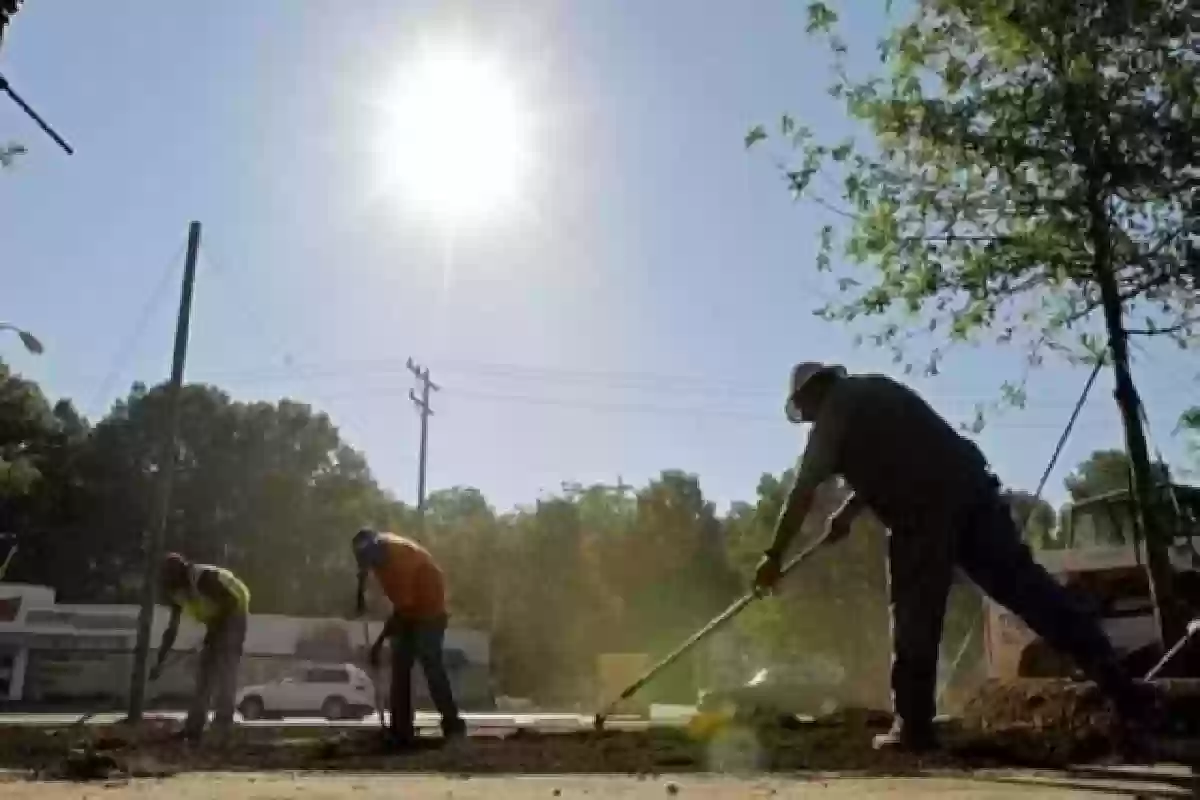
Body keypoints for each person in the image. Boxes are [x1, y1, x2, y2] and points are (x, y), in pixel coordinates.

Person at [753, 362, 1153, 752]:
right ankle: (1117, 681)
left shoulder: (834, 410)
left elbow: (802, 490)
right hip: (971, 490)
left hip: (922, 511)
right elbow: (906, 454)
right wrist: (850, 512)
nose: (807, 423)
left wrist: (773, 556)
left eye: (804, 414)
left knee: (914, 613)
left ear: (811, 395)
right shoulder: (876, 388)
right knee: (1026, 588)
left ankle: (913, 726)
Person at [353, 528, 465, 748]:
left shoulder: (400, 561)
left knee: (430, 662)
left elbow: (402, 613)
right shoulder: (373, 555)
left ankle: (453, 726)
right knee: (400, 667)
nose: (370, 565)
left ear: (379, 550)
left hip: (429, 610)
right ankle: (401, 729)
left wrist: (378, 644)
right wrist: (359, 593)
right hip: (409, 610)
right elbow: (365, 573)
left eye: (371, 560)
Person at [151, 552, 250, 744]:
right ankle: (193, 728)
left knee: (225, 667)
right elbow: (171, 629)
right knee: (205, 673)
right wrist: (159, 662)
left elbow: (231, 602)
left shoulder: (203, 577)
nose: (174, 589)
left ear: (181, 573)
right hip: (216, 621)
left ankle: (223, 723)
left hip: (235, 612)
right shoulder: (175, 591)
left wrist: (216, 628)